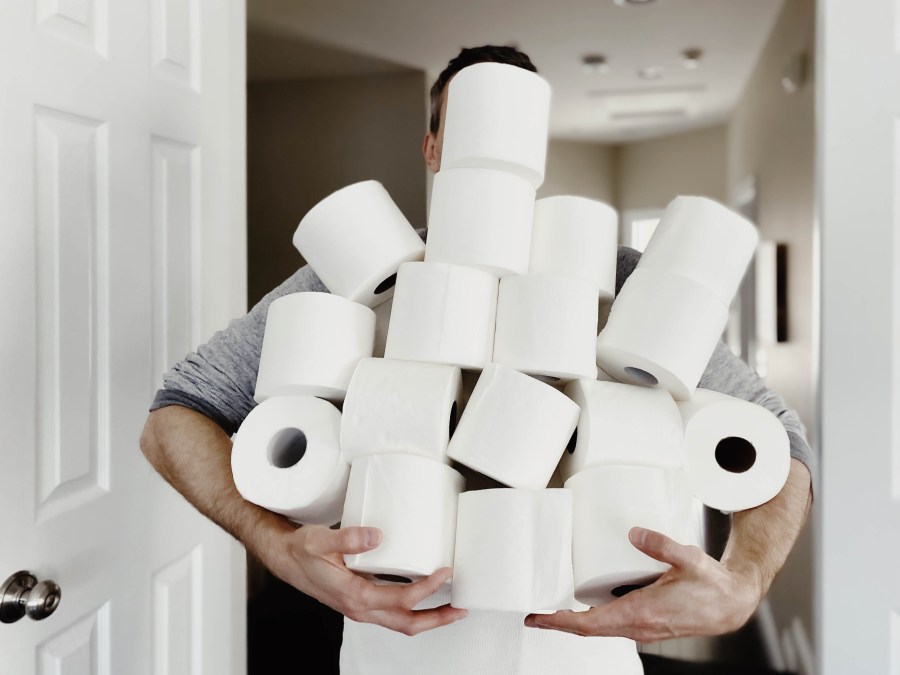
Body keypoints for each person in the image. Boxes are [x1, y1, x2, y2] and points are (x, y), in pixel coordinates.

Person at [141, 45, 813, 674]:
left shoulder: (627, 282)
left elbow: (777, 440)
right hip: (405, 641)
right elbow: (174, 414)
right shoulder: (358, 270)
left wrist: (745, 579)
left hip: (576, 645)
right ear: (433, 146)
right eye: (471, 124)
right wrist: (278, 547)